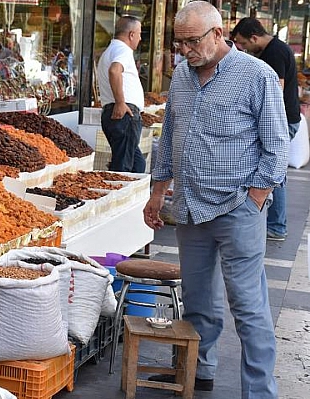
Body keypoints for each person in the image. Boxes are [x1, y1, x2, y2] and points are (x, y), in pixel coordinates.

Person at [143, 2, 288, 397]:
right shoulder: (181, 78)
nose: (186, 51)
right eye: (180, 43)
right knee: (197, 302)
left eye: (192, 42)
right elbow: (168, 137)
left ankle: (259, 391)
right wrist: (158, 193)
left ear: (218, 34)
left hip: (236, 208)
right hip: (190, 207)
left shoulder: (257, 75)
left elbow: (277, 147)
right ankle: (197, 371)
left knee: (248, 306)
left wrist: (254, 198)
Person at [231, 17, 301, 241]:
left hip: (283, 120)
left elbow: (274, 90)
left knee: (274, 170)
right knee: (274, 169)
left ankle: (276, 225)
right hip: (288, 118)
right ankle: (275, 222)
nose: (242, 48)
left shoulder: (274, 53)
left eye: (243, 43)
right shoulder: (276, 48)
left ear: (254, 37)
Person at [96, 16, 146, 173]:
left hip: (117, 114)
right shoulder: (123, 50)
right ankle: (117, 195)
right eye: (139, 33)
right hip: (123, 114)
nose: (140, 38)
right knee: (123, 168)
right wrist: (120, 102)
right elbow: (115, 70)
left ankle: (136, 197)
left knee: (137, 164)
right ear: (131, 34)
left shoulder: (111, 50)